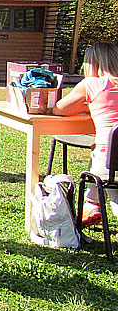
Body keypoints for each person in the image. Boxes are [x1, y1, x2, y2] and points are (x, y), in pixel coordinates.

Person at [52, 41, 118, 226]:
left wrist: (89, 106)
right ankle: (91, 204)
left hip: (109, 160)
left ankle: (91, 205)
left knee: (108, 180)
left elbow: (59, 109)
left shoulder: (92, 84)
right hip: (109, 156)